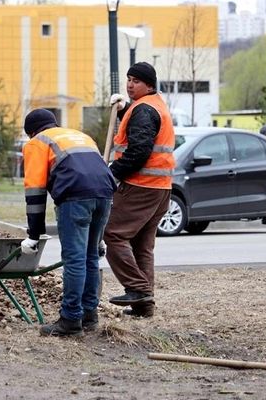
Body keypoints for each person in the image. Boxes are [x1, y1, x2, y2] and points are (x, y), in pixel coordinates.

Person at [20, 108, 117, 337]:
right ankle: (89, 316)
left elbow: (35, 192)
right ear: (53, 123)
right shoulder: (80, 136)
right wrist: (100, 236)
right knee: (91, 255)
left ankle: (71, 320)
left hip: (75, 198)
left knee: (74, 260)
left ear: (31, 132)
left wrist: (34, 235)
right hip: (105, 195)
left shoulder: (37, 142)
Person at [104, 61, 176, 318]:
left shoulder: (145, 109)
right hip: (161, 188)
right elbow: (141, 130)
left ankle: (138, 289)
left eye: (136, 81)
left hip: (141, 187)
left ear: (149, 85)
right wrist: (124, 108)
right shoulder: (154, 105)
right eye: (129, 79)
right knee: (142, 246)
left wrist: (111, 171)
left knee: (113, 234)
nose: (130, 84)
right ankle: (144, 306)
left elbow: (139, 151)